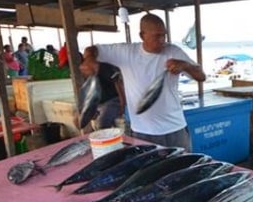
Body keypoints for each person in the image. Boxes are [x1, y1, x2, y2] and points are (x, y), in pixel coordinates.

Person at [81, 13, 206, 152]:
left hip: (175, 129)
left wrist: (185, 66)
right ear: (142, 35)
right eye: (156, 36)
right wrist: (89, 59)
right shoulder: (126, 52)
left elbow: (201, 76)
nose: (162, 40)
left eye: (163, 35)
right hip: (143, 132)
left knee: (183, 170)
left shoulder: (173, 51)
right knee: (150, 172)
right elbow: (92, 49)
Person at [79, 60, 125, 130]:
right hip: (98, 103)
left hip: (112, 100)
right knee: (77, 120)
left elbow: (118, 84)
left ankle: (106, 138)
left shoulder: (104, 68)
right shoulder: (82, 74)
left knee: (102, 123)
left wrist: (122, 104)